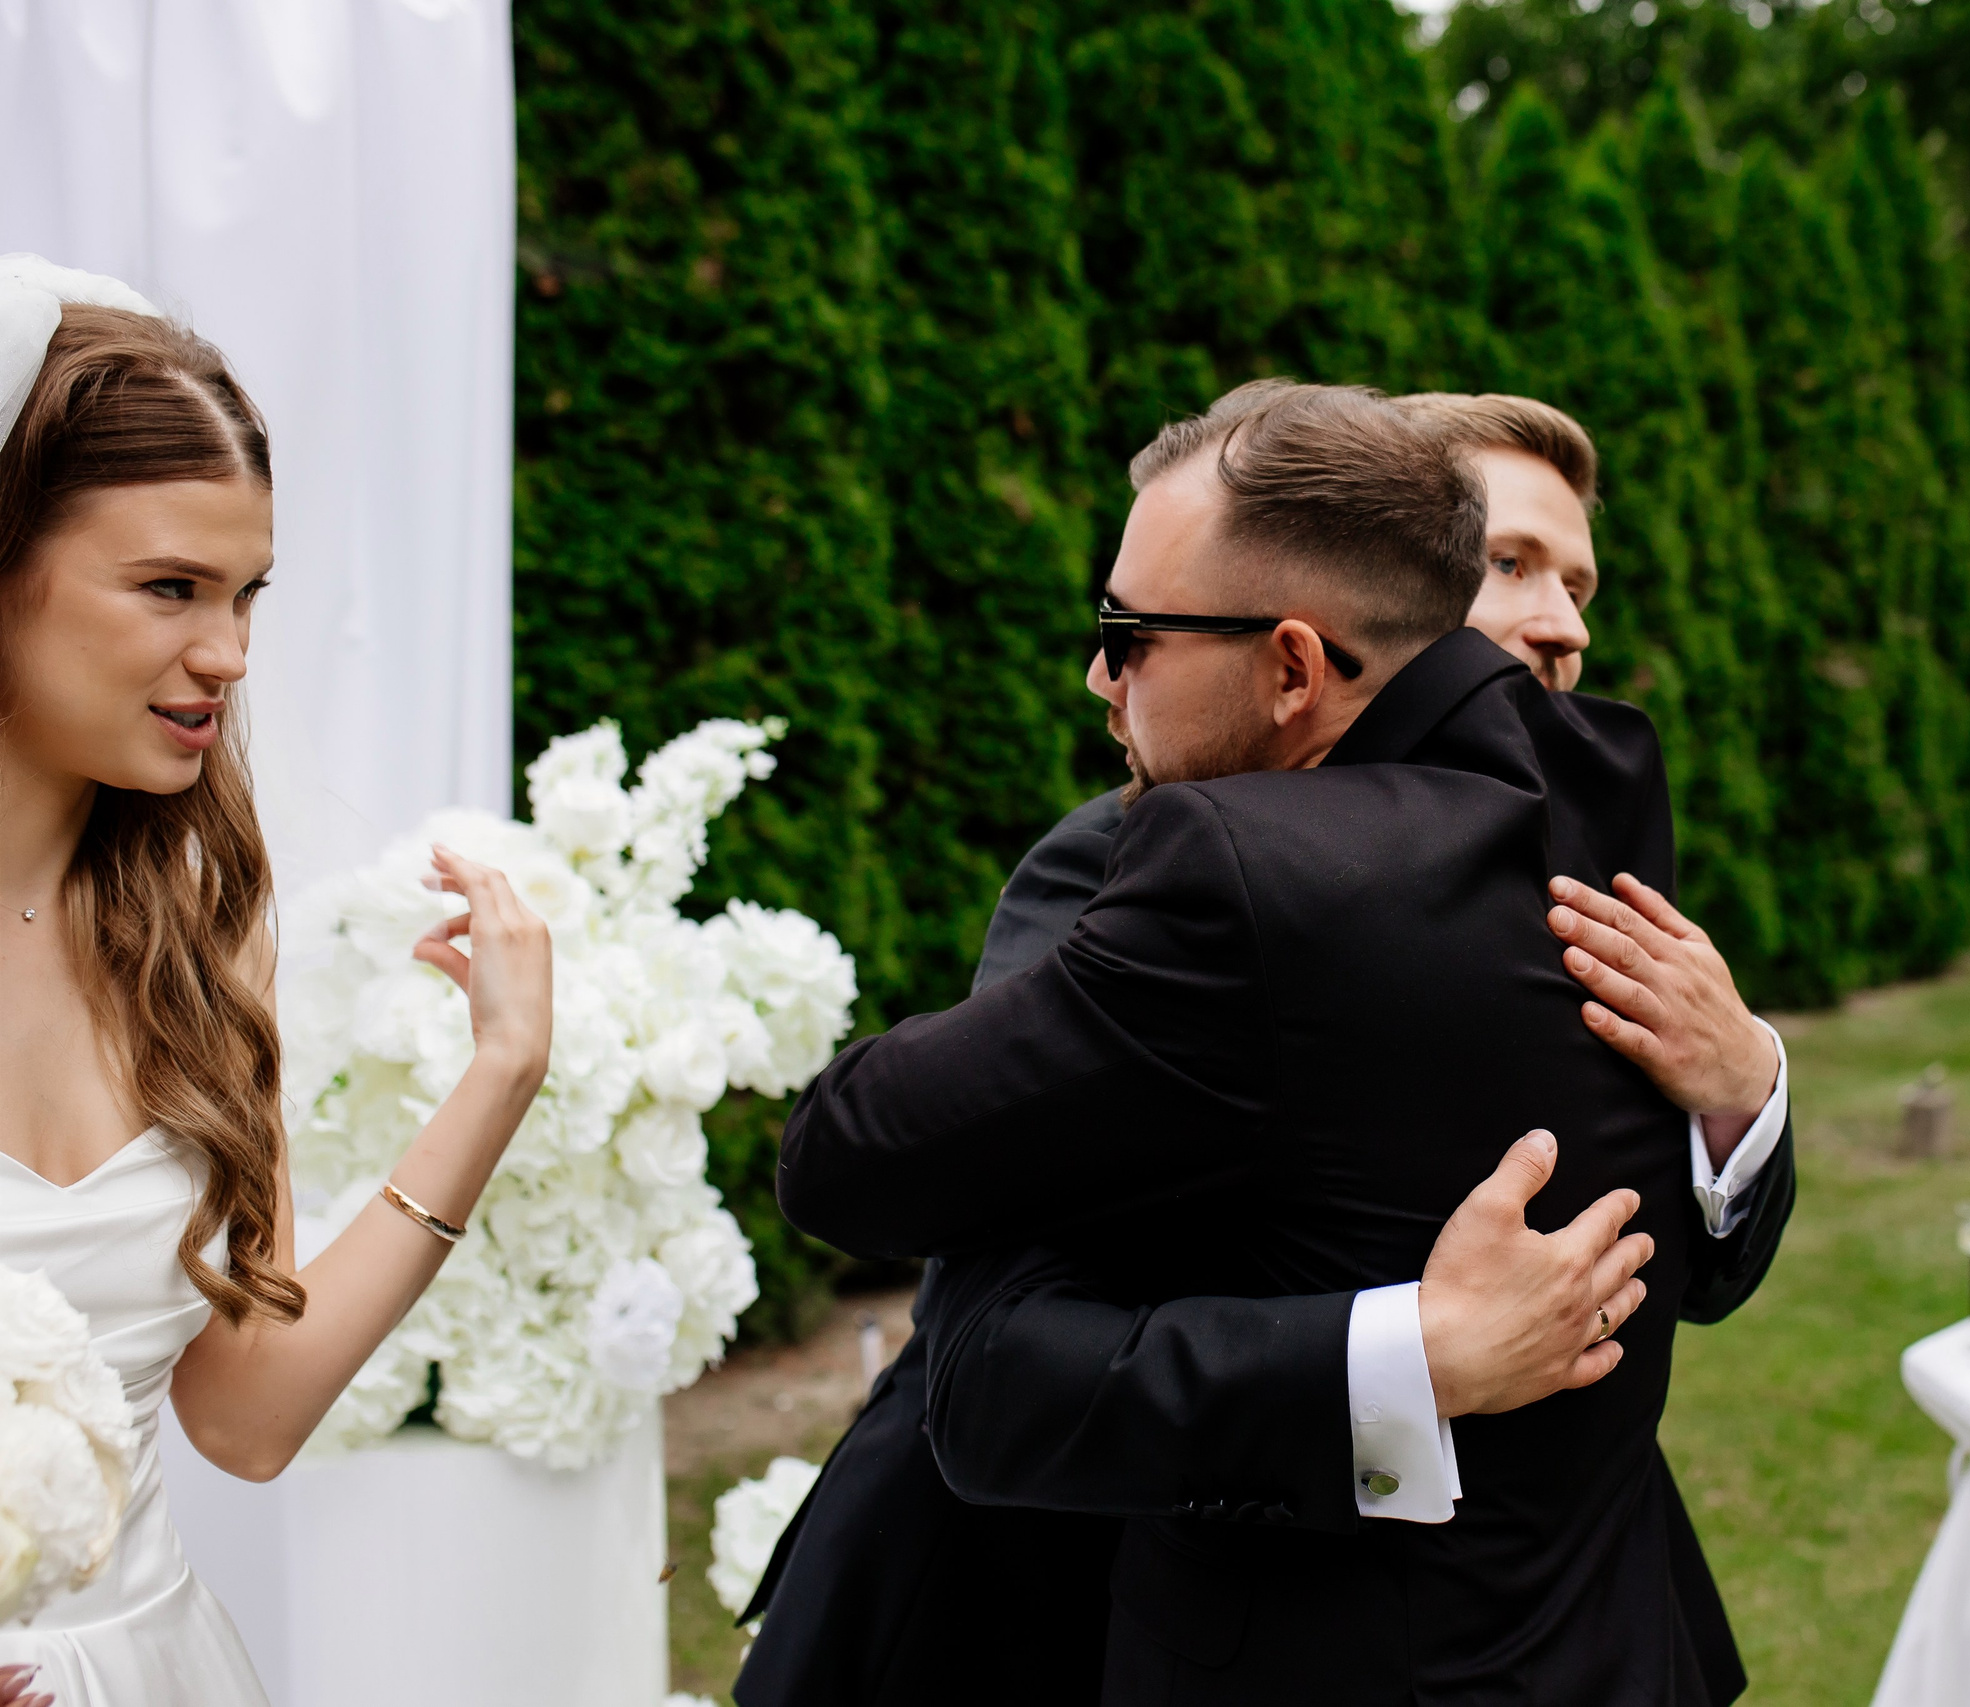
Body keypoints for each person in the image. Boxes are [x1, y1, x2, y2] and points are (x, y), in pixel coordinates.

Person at [738, 390, 1792, 1707]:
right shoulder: (1151, 853)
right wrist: (1408, 1352)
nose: (1563, 623)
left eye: (1580, 580)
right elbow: (1002, 1351)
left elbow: (1643, 1271)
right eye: (1506, 561)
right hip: (1131, 1604)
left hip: (1588, 1626)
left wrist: (1745, 1096)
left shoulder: (1580, 829)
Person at [0, 258, 555, 1707]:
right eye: (170, 588)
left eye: (247, 594)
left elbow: (243, 1416)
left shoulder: (194, 935)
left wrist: (497, 1078)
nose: (229, 654)